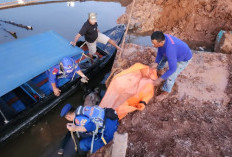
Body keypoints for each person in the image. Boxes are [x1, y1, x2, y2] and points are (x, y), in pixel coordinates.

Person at [151, 31, 192, 101]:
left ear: (161, 42)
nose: (152, 45)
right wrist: (156, 62)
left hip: (183, 59)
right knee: (163, 58)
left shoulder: (170, 50)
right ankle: (160, 70)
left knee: (171, 75)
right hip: (175, 52)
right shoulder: (162, 38)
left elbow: (173, 69)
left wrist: (160, 79)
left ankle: (166, 91)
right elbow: (160, 51)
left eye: (154, 43)